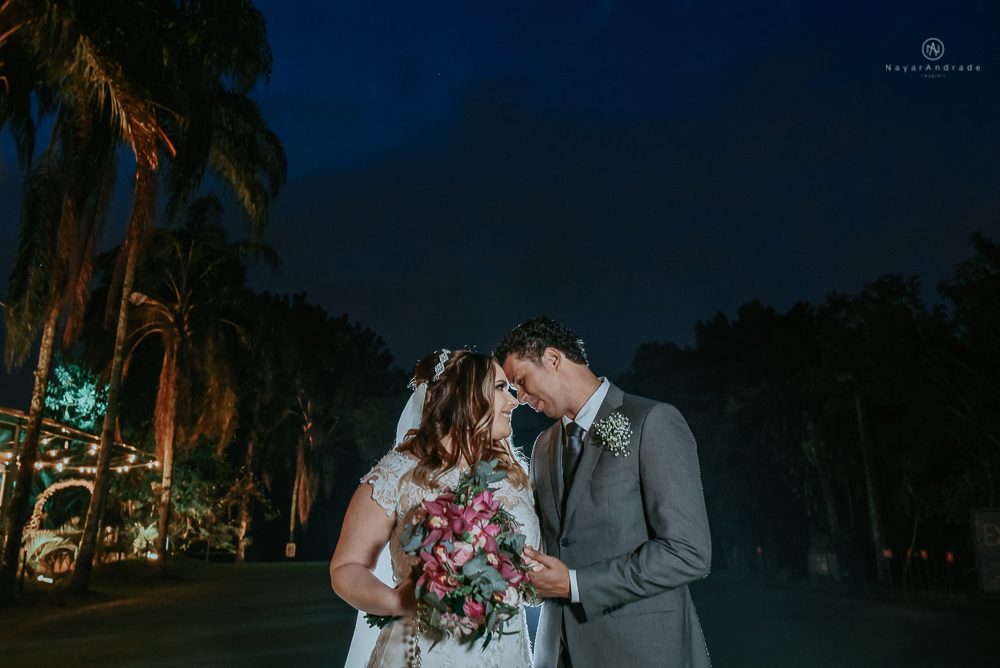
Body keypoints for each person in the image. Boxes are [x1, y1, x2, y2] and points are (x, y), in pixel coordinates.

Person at [496, 318, 712, 668]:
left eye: (520, 381)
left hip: (640, 651)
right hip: (556, 653)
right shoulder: (542, 447)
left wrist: (575, 584)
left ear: (552, 358)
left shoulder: (651, 421)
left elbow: (689, 552)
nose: (519, 398)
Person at [331, 350, 540, 668]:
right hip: (420, 653)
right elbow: (346, 568)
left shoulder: (517, 476)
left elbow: (535, 571)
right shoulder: (397, 475)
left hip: (506, 653)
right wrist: (394, 601)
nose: (514, 401)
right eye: (500, 388)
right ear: (463, 397)